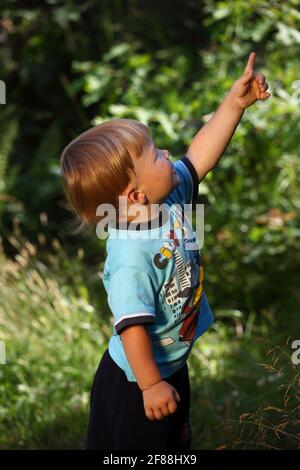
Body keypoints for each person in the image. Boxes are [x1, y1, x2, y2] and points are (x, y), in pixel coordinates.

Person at [59, 52, 270, 450]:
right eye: (155, 155)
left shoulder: (168, 197)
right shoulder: (129, 257)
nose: (167, 155)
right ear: (135, 193)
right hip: (136, 383)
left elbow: (199, 156)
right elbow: (132, 325)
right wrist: (151, 385)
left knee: (174, 445)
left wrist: (233, 104)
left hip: (169, 366)